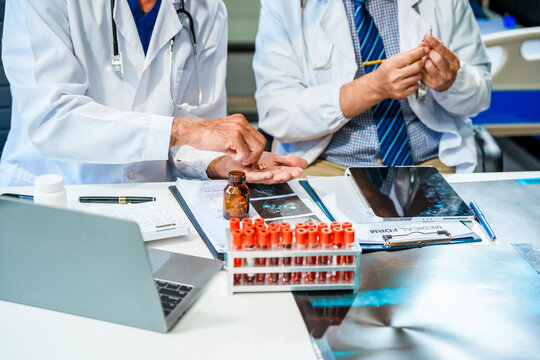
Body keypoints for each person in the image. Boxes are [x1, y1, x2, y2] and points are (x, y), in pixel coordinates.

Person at [0, 0, 307, 186]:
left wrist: (220, 163)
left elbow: (202, 128)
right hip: (53, 196)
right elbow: (53, 120)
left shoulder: (205, 9)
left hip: (153, 203)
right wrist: (181, 129)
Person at [253, 0, 492, 175]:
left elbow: (480, 96)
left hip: (431, 162)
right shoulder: (285, 6)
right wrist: (374, 88)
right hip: (328, 165)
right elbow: (278, 113)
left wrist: (451, 82)